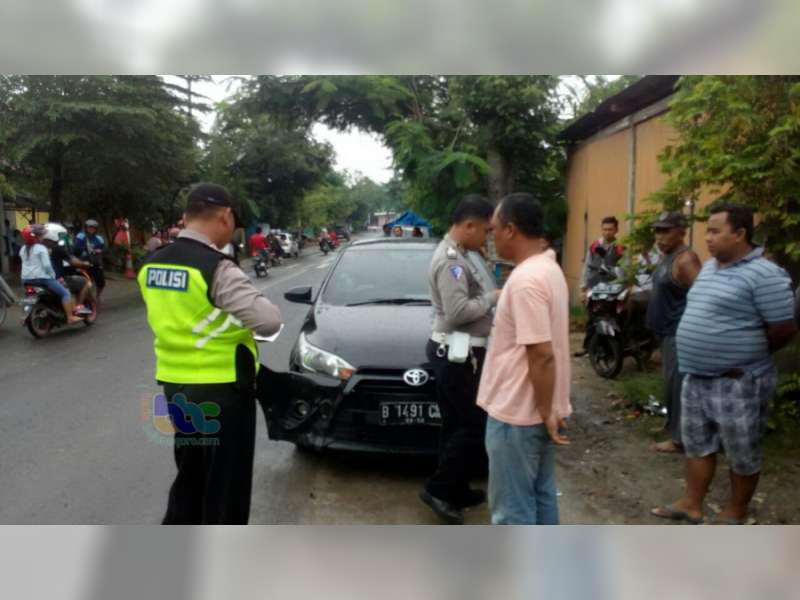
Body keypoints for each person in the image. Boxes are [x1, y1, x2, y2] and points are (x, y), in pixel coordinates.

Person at [138, 183, 283, 525]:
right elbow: (268, 321)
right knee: (225, 485)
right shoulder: (216, 266)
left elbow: (181, 316)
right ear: (226, 215)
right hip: (222, 391)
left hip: (176, 387)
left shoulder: (152, 264)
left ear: (186, 217)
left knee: (191, 474)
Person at [651, 203, 797, 525]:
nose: (708, 238)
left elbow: (784, 328)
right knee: (697, 445)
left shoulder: (765, 274)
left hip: (737, 381)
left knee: (742, 452)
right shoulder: (710, 269)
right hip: (696, 378)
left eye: (716, 231)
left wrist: (745, 355)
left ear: (740, 233)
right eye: (707, 231)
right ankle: (691, 503)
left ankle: (736, 511)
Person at [477, 193, 572, 525]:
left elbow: (542, 354)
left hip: (517, 413)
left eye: (494, 229)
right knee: (541, 494)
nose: (491, 237)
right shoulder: (549, 268)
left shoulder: (526, 281)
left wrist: (545, 410)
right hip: (539, 411)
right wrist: (549, 409)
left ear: (511, 230)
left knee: (511, 511)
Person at [420, 194, 499, 525]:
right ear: (468, 225)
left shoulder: (463, 255)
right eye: (485, 230)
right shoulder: (451, 260)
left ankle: (456, 487)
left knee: (455, 424)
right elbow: (456, 313)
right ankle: (439, 489)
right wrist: (493, 298)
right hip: (456, 352)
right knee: (471, 424)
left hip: (460, 351)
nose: (488, 237)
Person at [645, 212, 701, 454]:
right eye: (657, 231)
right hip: (666, 332)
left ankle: (680, 440)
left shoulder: (685, 260)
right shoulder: (667, 257)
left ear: (681, 231)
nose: (660, 236)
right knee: (670, 385)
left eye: (666, 231)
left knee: (678, 386)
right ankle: (675, 429)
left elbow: (702, 296)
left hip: (680, 333)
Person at [20, 225, 85, 324]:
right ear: (36, 237)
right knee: (65, 293)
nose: (42, 236)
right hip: (41, 279)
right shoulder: (41, 248)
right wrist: (52, 276)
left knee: (27, 296)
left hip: (25, 279)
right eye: (40, 235)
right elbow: (47, 266)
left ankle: (24, 316)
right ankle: (70, 317)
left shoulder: (23, 249)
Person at [41, 223, 93, 314]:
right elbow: (72, 261)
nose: (63, 237)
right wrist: (84, 263)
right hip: (56, 278)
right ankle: (78, 308)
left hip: (39, 279)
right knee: (86, 283)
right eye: (60, 235)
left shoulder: (38, 248)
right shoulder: (57, 248)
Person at [579, 216, 624, 304]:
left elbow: (624, 268)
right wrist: (583, 289)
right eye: (604, 229)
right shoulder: (594, 246)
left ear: (616, 230)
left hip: (613, 289)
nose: (607, 232)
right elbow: (587, 266)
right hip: (594, 287)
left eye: (610, 229)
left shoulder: (620, 248)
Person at [74, 219, 106, 300]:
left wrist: (99, 251)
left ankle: (98, 295)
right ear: (86, 228)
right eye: (89, 227)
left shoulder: (99, 238)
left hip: (95, 263)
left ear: (96, 229)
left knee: (101, 283)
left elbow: (103, 249)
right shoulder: (81, 236)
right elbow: (76, 249)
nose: (91, 229)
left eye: (93, 228)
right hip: (84, 263)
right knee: (86, 282)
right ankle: (88, 299)